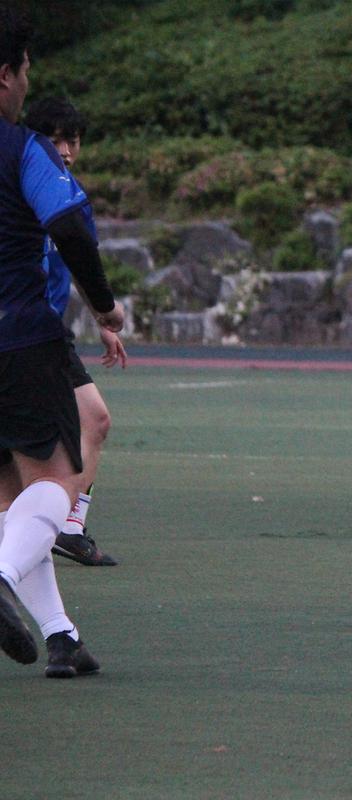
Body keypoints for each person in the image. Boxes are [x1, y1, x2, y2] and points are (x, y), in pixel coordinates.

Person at [0, 6, 124, 676]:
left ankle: (61, 636)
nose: (26, 84)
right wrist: (105, 306)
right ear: (5, 75)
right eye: (24, 71)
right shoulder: (22, 147)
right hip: (19, 337)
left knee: (12, 498)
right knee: (59, 481)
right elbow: (69, 227)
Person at [24, 96, 124, 567]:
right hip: (22, 331)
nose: (65, 150)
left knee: (93, 421)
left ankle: (67, 526)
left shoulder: (70, 197)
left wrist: (104, 321)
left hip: (46, 335)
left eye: (73, 141)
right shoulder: (20, 191)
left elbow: (80, 260)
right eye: (55, 140)